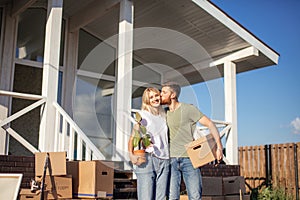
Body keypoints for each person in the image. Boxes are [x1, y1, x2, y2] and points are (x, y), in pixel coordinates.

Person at [160, 82, 223, 200]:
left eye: (164, 92)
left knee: (195, 196)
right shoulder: (164, 112)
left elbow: (210, 124)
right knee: (172, 197)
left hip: (189, 159)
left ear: (173, 95)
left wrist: (219, 147)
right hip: (171, 160)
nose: (160, 95)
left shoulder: (188, 109)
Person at [128, 87, 170, 200]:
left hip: (164, 159)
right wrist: (131, 154)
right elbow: (133, 136)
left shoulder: (163, 116)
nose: (155, 99)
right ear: (147, 100)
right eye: (151, 97)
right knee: (146, 197)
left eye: (156, 96)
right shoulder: (143, 115)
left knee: (161, 197)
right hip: (148, 159)